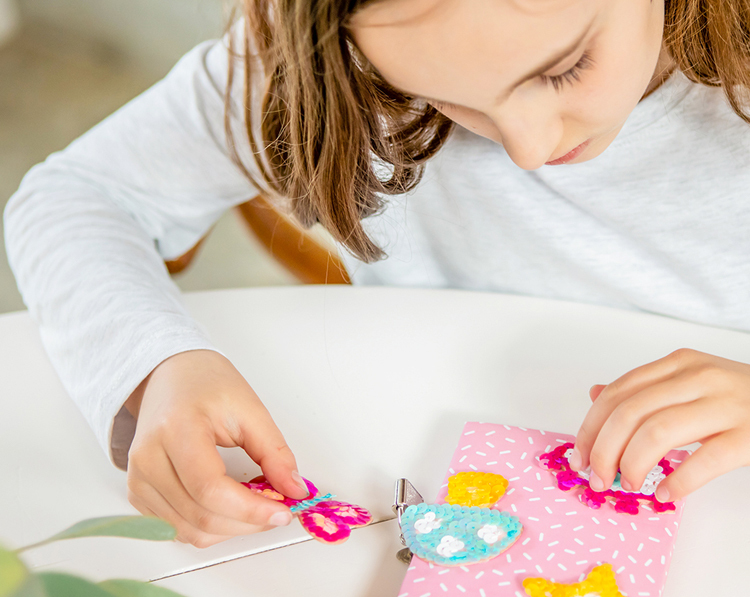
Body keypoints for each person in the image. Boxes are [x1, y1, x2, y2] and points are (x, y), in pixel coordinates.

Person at [5, 0, 750, 547]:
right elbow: (75, 197)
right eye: (445, 98)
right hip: (418, 482)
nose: (525, 146)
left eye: (563, 69)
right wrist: (154, 363)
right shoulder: (323, 55)